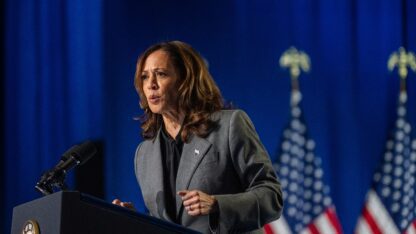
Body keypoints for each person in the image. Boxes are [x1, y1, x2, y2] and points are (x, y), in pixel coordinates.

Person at [113, 41, 283, 233]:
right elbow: (165, 222)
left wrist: (218, 205)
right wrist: (134, 220)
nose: (151, 85)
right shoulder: (144, 154)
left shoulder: (228, 126)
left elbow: (272, 196)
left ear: (185, 79)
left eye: (161, 74)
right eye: (144, 77)